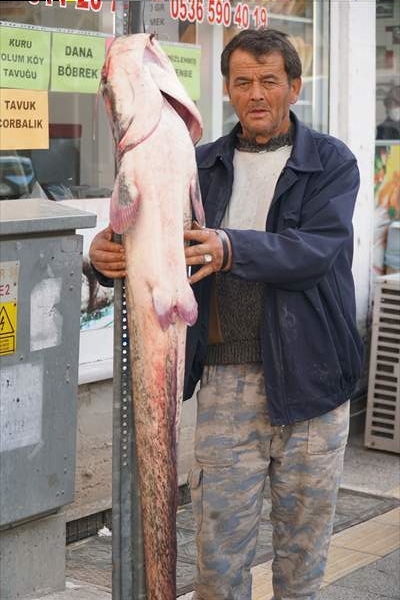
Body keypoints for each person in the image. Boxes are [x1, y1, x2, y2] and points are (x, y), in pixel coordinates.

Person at [89, 29, 364, 600]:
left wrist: (230, 247)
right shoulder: (198, 162)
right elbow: (143, 231)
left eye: (268, 81)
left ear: (294, 86)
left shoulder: (332, 162)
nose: (255, 94)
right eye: (242, 82)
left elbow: (316, 250)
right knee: (217, 564)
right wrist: (104, 254)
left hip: (312, 388)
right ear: (226, 90)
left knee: (301, 562)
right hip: (226, 385)